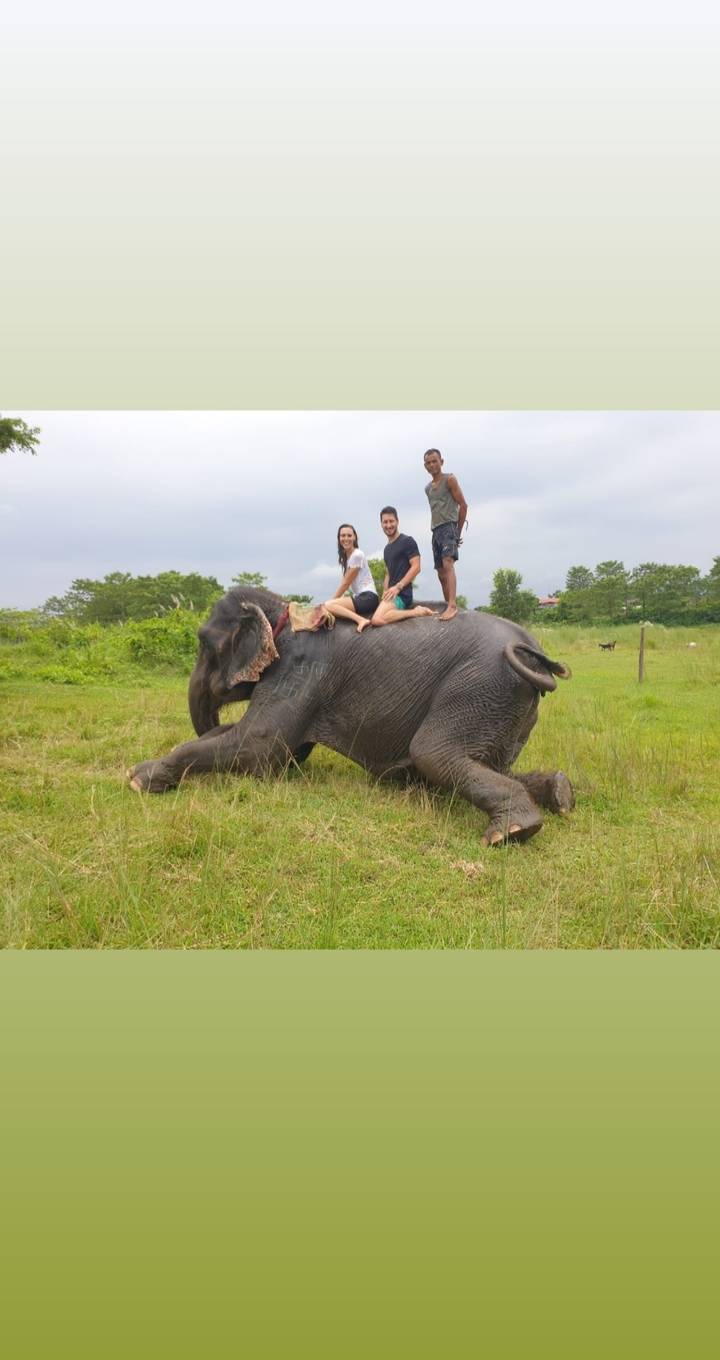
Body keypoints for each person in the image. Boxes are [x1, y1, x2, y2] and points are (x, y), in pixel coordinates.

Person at [423, 448, 468, 621]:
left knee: (448, 563)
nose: (432, 465)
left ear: (442, 461)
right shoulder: (428, 489)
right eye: (428, 462)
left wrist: (457, 533)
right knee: (440, 571)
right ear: (425, 466)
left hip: (449, 526)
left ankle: (452, 605)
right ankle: (446, 602)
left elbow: (463, 505)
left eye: (435, 461)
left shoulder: (450, 479)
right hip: (435, 530)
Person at [371, 506, 436, 626]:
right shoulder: (387, 549)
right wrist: (385, 592)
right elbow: (388, 574)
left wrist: (398, 587)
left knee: (376, 620)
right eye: (385, 522)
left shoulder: (407, 541)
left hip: (402, 594)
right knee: (378, 615)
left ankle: (415, 612)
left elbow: (416, 567)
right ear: (381, 524)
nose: (388, 525)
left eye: (391, 521)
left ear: (397, 521)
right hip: (391, 595)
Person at [324, 524, 379, 632]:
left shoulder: (357, 555)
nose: (346, 538)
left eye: (349, 535)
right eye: (342, 536)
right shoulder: (348, 557)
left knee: (328, 605)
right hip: (361, 596)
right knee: (330, 604)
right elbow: (344, 582)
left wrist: (330, 603)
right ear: (339, 538)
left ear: (355, 537)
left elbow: (345, 584)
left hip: (368, 597)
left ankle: (360, 620)